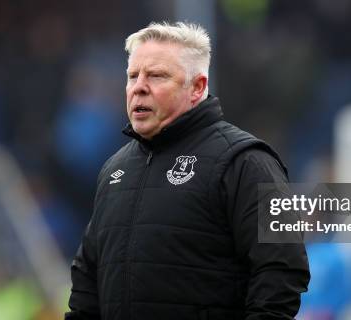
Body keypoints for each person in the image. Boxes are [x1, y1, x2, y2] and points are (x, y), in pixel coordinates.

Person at [66, 21, 310, 320]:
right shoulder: (114, 170)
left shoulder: (246, 162)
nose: (139, 86)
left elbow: (282, 272)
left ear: (197, 88)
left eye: (156, 76)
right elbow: (87, 285)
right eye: (133, 76)